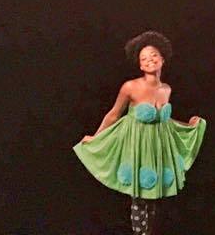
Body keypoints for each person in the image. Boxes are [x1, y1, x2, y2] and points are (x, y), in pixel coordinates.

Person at [75, 31, 206, 235]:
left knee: (153, 195)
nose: (149, 60)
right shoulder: (130, 87)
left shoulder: (166, 89)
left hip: (157, 145)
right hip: (136, 144)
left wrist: (188, 125)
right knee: (139, 196)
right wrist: (97, 136)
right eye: (144, 58)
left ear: (162, 59)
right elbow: (114, 114)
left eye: (153, 55)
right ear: (140, 65)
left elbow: (163, 119)